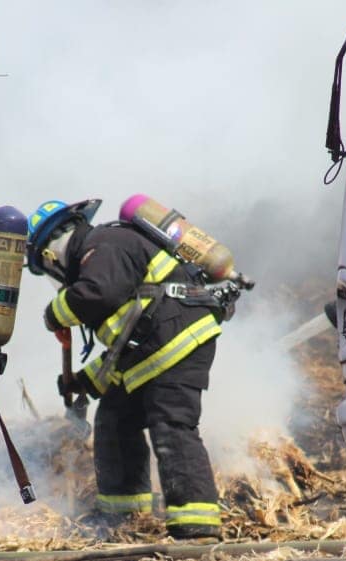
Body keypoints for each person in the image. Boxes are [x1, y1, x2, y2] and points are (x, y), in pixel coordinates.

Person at [26, 198, 224, 541]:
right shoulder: (101, 254)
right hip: (157, 346)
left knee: (171, 423)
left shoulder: (102, 244)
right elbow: (125, 344)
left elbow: (97, 295)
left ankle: (197, 522)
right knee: (115, 419)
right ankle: (123, 515)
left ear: (50, 255)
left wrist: (53, 313)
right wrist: (84, 380)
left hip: (179, 341)